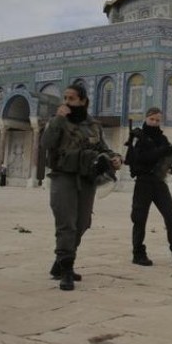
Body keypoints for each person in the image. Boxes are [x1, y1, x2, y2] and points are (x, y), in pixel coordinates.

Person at [41, 84, 122, 291]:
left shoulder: (93, 125)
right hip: (63, 177)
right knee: (66, 224)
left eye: (72, 99)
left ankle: (60, 263)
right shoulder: (57, 122)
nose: (67, 102)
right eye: (65, 98)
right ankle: (66, 269)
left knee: (83, 222)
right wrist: (58, 119)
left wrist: (114, 157)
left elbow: (102, 147)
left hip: (86, 177)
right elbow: (47, 143)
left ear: (83, 101)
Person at [128, 107, 172, 267]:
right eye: (152, 119)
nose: (154, 123)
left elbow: (171, 153)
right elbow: (143, 158)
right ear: (146, 119)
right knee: (139, 219)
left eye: (157, 120)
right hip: (143, 182)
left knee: (171, 215)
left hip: (158, 182)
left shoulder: (162, 138)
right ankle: (138, 253)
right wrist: (162, 151)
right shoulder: (139, 137)